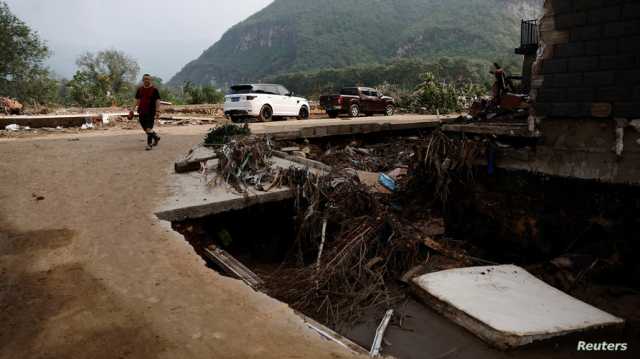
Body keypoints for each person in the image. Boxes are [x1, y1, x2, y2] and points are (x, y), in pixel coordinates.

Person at [131, 74, 161, 150]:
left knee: (148, 128)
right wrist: (132, 110)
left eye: (148, 79)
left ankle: (149, 144)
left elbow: (157, 101)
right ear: (143, 80)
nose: (146, 80)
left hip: (151, 112)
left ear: (150, 80)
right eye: (145, 79)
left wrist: (158, 111)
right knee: (146, 129)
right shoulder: (140, 90)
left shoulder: (154, 90)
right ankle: (155, 137)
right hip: (141, 111)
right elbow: (136, 100)